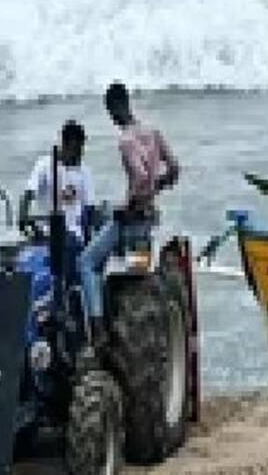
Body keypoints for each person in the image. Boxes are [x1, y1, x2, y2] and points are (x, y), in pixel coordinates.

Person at [78, 82, 181, 342]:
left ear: (114, 108)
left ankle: (97, 330)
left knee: (86, 262)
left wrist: (127, 205)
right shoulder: (153, 132)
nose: (112, 118)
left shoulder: (126, 141)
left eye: (110, 112)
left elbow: (140, 176)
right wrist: (157, 188)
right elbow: (174, 169)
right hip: (148, 218)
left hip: (131, 219)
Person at [19, 120, 98, 244]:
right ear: (65, 144)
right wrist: (23, 219)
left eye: (81, 147)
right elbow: (28, 194)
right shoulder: (44, 165)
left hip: (74, 235)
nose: (80, 152)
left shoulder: (85, 172)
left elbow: (89, 208)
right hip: (46, 232)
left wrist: (88, 239)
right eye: (76, 148)